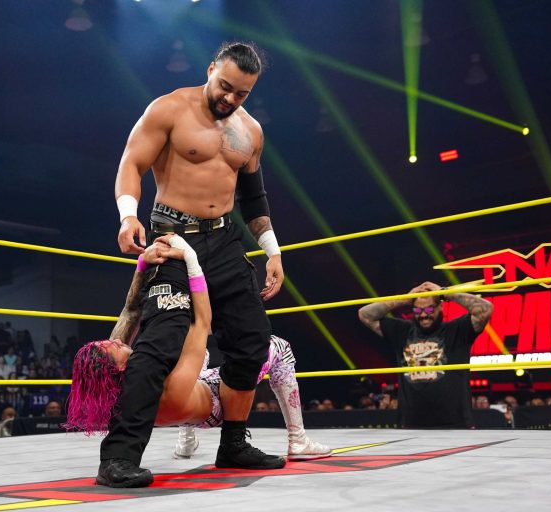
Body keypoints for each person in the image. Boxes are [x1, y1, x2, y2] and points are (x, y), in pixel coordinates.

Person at [105, 41, 285, 487]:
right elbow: (132, 163)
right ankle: (119, 457)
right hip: (172, 238)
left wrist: (273, 251)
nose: (230, 98)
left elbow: (254, 199)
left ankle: (234, 444)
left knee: (252, 340)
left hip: (225, 241)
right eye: (225, 86)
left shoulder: (250, 131)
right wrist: (128, 215)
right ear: (210, 70)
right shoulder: (169, 109)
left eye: (241, 93)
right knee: (159, 343)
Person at [68, 237, 329, 475]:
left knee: (187, 354)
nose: (115, 340)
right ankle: (298, 439)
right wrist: (191, 260)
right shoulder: (165, 387)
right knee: (279, 347)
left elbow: (129, 311)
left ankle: (186, 439)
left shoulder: (124, 390)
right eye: (113, 346)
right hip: (214, 404)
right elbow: (202, 322)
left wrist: (141, 266)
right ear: (120, 367)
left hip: (188, 400)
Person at [357, 281, 493, 428]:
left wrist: (445, 293)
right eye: (417, 310)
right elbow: (365, 314)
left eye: (429, 309)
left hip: (454, 424)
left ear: (440, 307)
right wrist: (403, 299)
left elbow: (486, 309)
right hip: (411, 424)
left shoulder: (457, 331)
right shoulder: (402, 332)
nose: (423, 315)